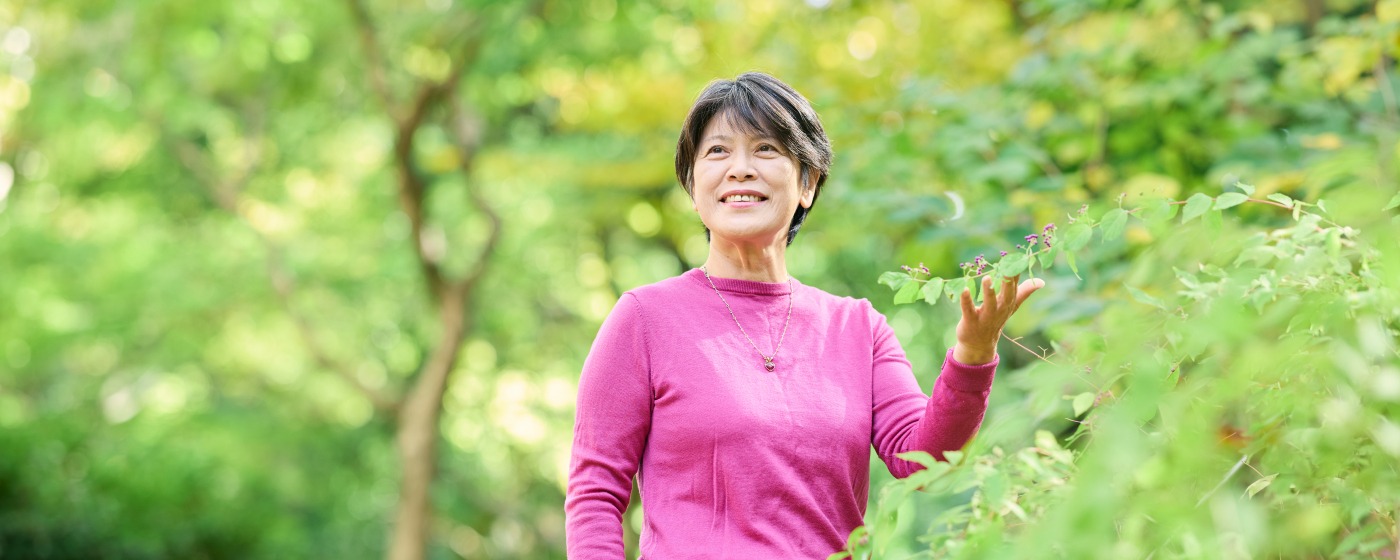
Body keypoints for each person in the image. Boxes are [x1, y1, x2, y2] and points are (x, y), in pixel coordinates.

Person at [565, 72, 1043, 558]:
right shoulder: (645, 318)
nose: (740, 169)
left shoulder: (859, 328)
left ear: (808, 183)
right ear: (693, 187)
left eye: (766, 149)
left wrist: (973, 353)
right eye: (717, 152)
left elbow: (923, 461)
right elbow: (595, 493)